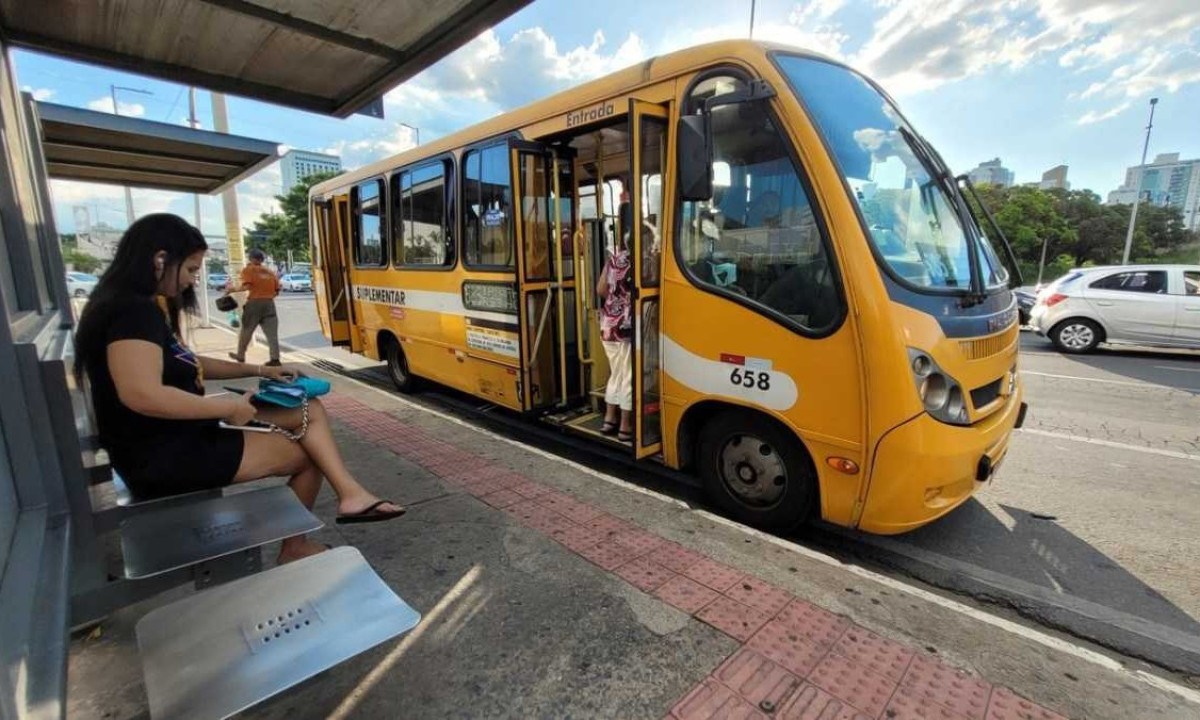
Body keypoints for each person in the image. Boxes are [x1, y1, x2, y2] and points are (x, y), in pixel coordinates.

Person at [74, 214, 404, 565]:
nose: (191, 281)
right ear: (159, 260)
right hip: (164, 456)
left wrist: (260, 370)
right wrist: (227, 409)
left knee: (309, 407)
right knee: (310, 455)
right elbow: (142, 394)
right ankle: (296, 547)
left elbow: (187, 361)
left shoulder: (128, 305)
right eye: (190, 270)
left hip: (173, 437)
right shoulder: (132, 312)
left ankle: (350, 495)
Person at [596, 192, 634, 443]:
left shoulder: (613, 259)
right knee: (628, 375)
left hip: (607, 324)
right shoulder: (638, 261)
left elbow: (600, 289)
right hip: (626, 327)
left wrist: (614, 299)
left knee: (616, 373)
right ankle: (625, 426)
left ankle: (609, 419)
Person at [228, 247, 281, 366]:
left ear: (251, 258)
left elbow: (246, 287)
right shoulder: (270, 272)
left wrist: (231, 290)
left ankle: (240, 355)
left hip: (254, 303)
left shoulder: (248, 270)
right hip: (269, 304)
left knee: (247, 330)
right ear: (262, 259)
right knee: (272, 334)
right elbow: (277, 291)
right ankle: (275, 359)